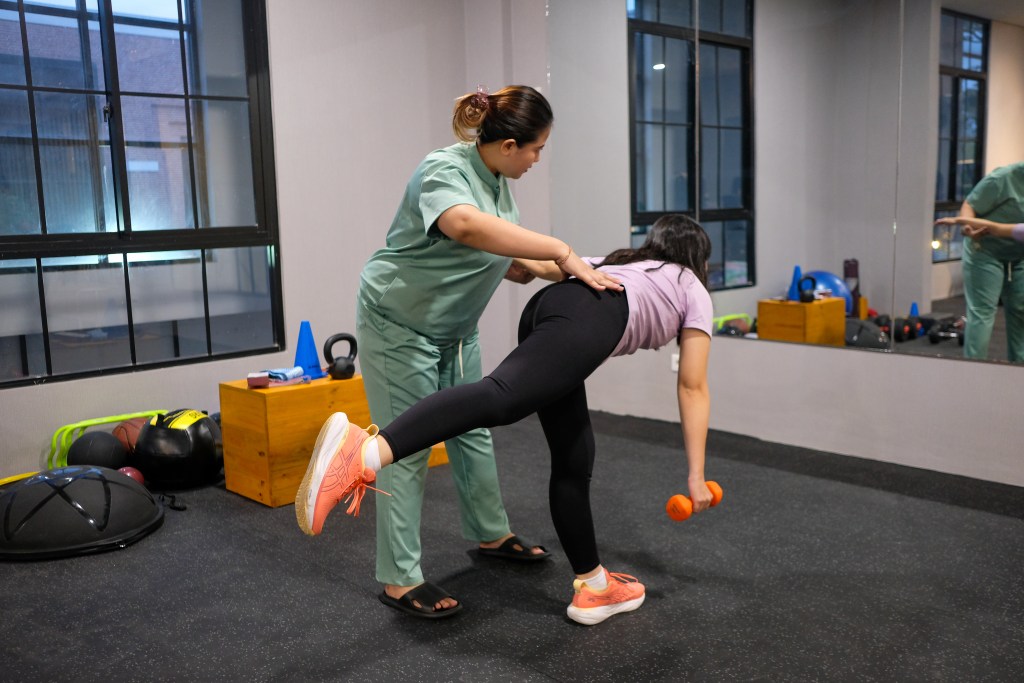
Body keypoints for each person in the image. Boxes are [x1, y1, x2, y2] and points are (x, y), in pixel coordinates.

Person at [297, 214, 717, 625]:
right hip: (588, 318)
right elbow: (693, 386)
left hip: (547, 305)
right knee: (502, 398)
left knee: (574, 455)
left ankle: (594, 585)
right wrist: (697, 476)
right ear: (699, 257)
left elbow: (548, 266)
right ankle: (365, 452)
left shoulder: (625, 261)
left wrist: (506, 258)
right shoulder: (693, 288)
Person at [314, 84, 623, 620]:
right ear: (508, 145)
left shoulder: (499, 182)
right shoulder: (444, 169)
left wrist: (586, 273)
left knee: (474, 431)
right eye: (536, 149)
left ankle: (489, 533)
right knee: (406, 447)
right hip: (399, 323)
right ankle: (399, 579)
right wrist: (561, 250)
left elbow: (517, 260)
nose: (537, 159)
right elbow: (462, 224)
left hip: (456, 328)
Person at [947, 162, 1024, 362]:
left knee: (1020, 311)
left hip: (1019, 254)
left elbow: (1004, 230)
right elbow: (970, 206)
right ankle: (974, 371)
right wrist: (967, 227)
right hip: (985, 250)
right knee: (982, 314)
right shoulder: (1004, 178)